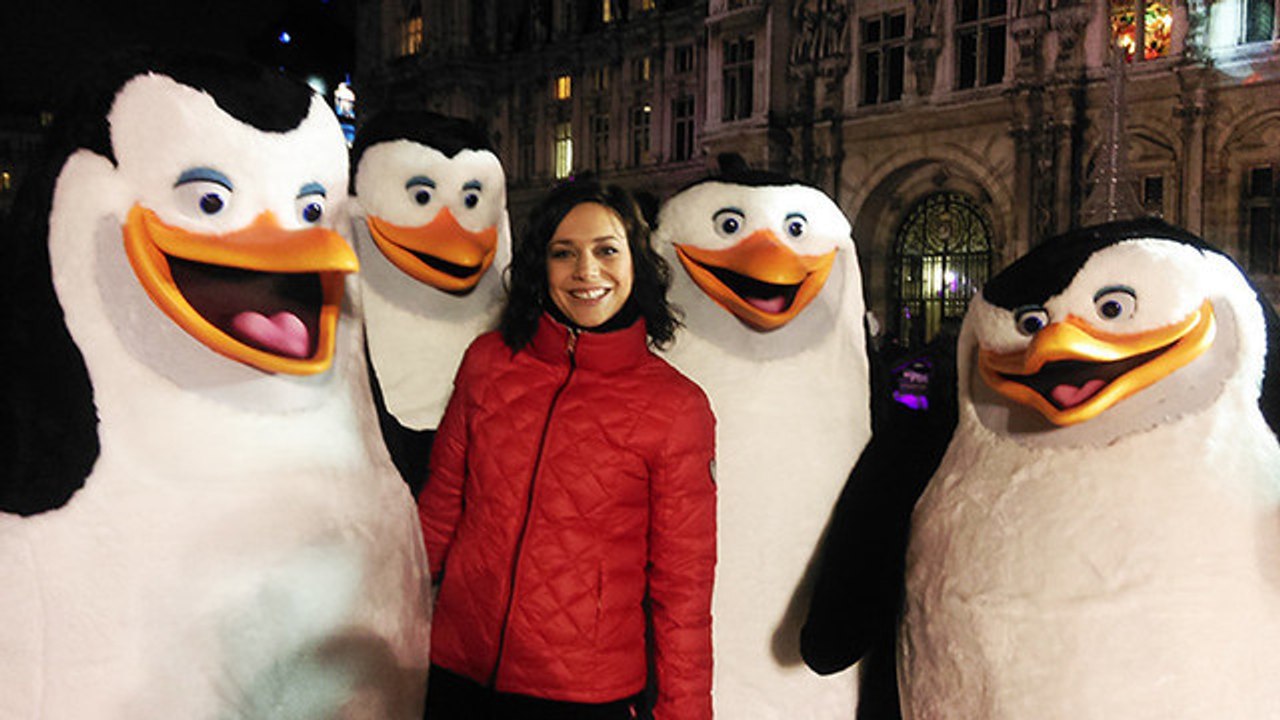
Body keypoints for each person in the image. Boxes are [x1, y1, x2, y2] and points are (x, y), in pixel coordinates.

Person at [418, 178, 718, 720]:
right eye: (564, 253)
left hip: (583, 694)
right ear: (541, 266)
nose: (586, 271)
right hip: (459, 670)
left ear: (636, 262)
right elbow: (440, 510)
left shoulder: (676, 408)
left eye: (607, 251)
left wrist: (685, 713)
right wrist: (389, 624)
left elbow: (683, 590)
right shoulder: (488, 363)